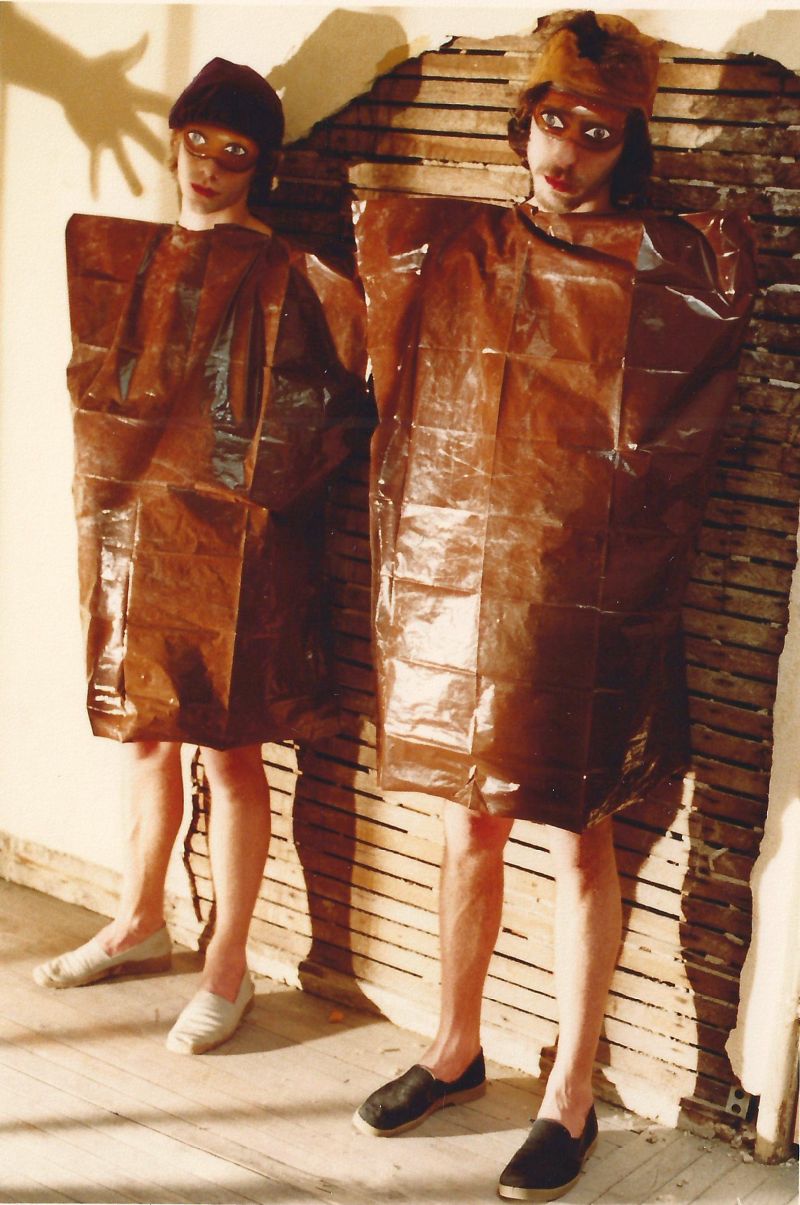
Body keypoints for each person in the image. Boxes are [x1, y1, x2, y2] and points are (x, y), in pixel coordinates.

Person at [351, 12, 755, 1201]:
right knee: (464, 821)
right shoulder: (455, 249)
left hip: (585, 596)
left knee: (582, 835)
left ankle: (568, 1088)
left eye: (594, 132)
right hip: (466, 590)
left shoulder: (656, 262)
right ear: (521, 123)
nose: (565, 152)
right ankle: (453, 1045)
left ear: (627, 143)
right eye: (550, 122)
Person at [34, 58, 368, 1057]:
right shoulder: (130, 263)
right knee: (144, 734)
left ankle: (228, 963)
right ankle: (138, 919)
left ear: (261, 166)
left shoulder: (292, 272)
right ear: (174, 142)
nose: (210, 166)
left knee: (230, 751)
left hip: (242, 546)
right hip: (140, 530)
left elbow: (343, 398)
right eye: (198, 143)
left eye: (236, 152)